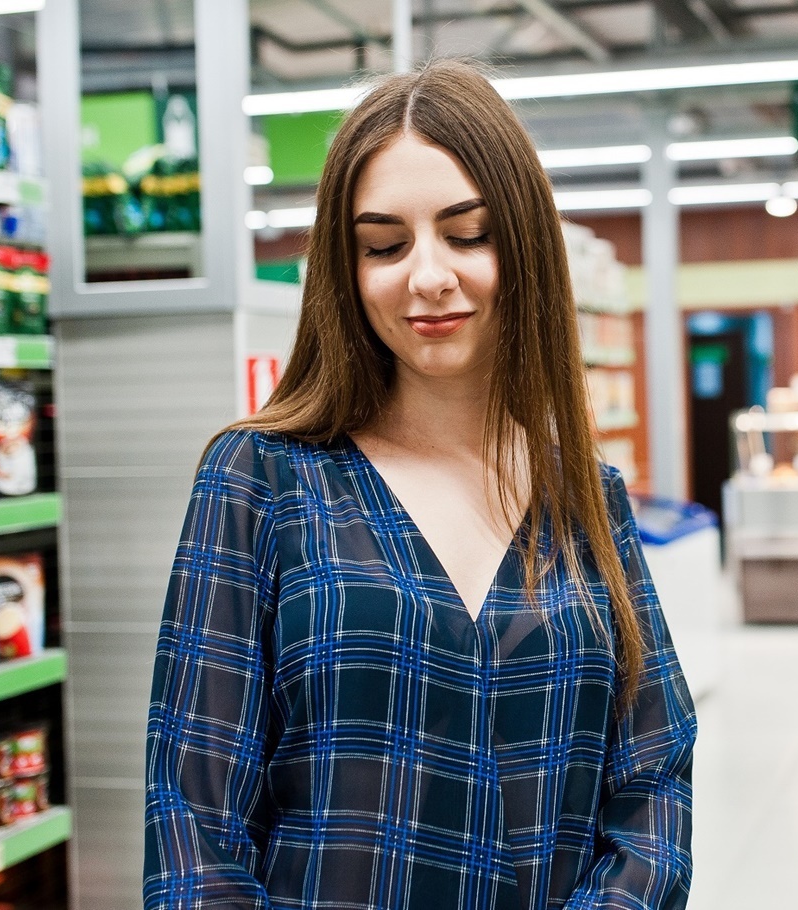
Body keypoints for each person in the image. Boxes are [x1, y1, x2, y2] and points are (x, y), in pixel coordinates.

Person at [143, 60, 697, 909]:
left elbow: (653, 787)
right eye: (384, 244)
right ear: (345, 268)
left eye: (466, 233)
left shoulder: (587, 497)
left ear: (523, 246)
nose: (427, 275)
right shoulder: (262, 481)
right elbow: (194, 829)